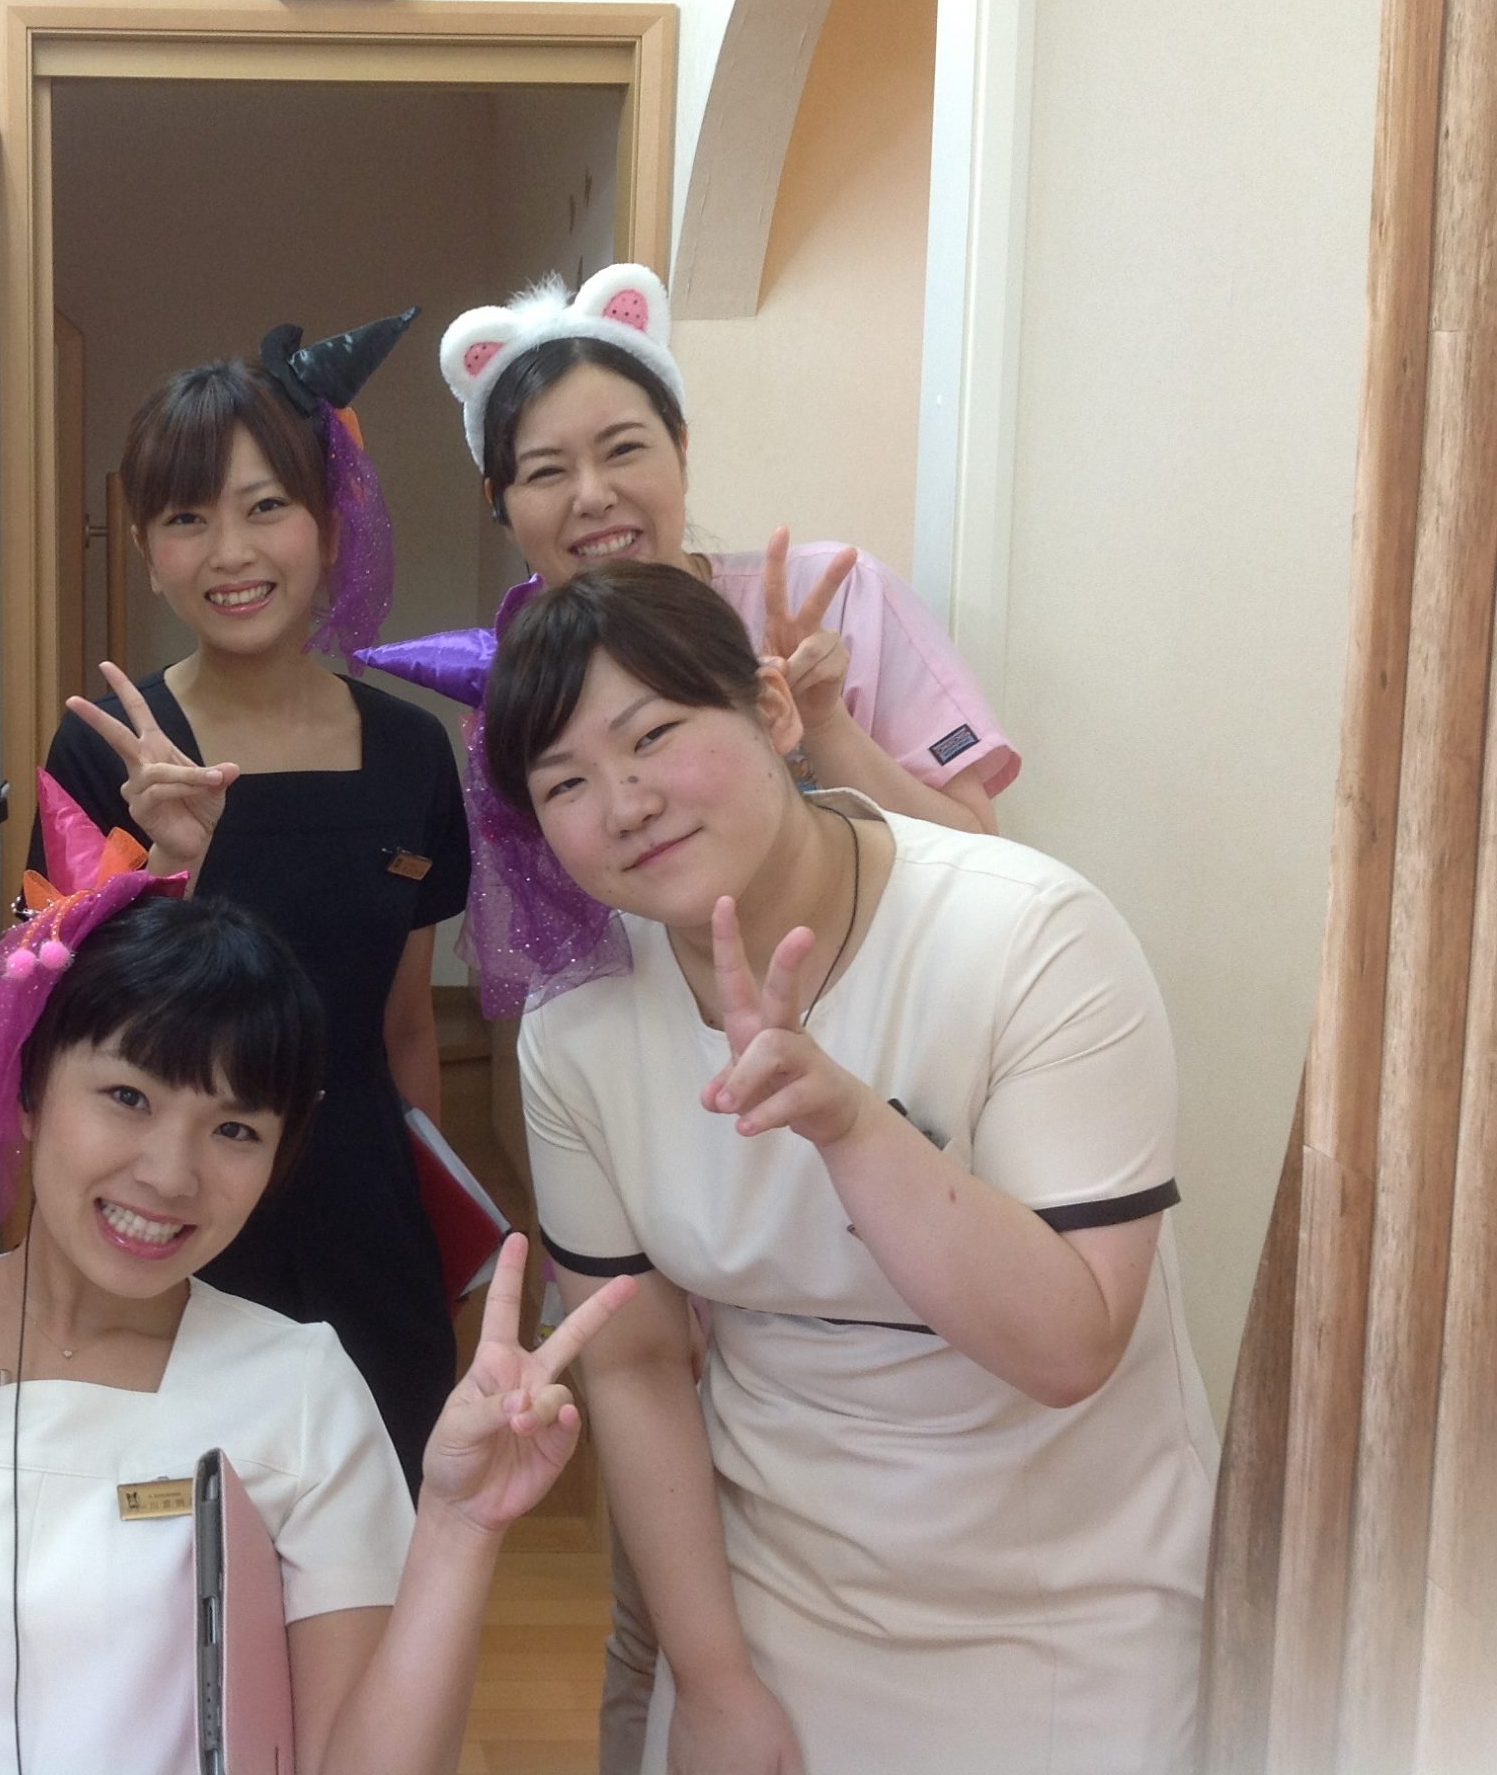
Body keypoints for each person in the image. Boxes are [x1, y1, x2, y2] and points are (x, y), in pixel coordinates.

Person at [0, 790, 635, 1774]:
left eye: (234, 1128)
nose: (169, 1174)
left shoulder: (301, 1390)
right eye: (127, 1096)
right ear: (30, 1088)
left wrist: (458, 1528)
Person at [483, 562, 1216, 1773]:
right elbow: (636, 1363)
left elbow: (1068, 1345)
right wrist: (712, 1679)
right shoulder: (577, 1026)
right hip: (775, 1578)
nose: (624, 803)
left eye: (652, 735)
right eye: (564, 781)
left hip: (1066, 1588)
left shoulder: (1028, 932)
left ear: (773, 712)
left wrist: (852, 1127)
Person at [39, 313, 472, 1488]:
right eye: (186, 518)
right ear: (146, 551)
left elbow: (405, 1028)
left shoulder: (410, 753)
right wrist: (166, 862)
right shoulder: (107, 752)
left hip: (365, 1214)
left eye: (264, 506)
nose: (229, 551)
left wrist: (437, 1234)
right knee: (171, 1540)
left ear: (329, 525)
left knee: (380, 1517)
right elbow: (65, 1037)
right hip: (168, 1212)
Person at [362, 260, 1015, 1021]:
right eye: (545, 472)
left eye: (623, 449)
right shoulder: (521, 687)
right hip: (664, 1040)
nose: (593, 495)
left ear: (681, 446)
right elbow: (556, 952)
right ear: (499, 504)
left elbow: (981, 856)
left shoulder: (838, 601)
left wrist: (823, 724)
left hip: (884, 1003)